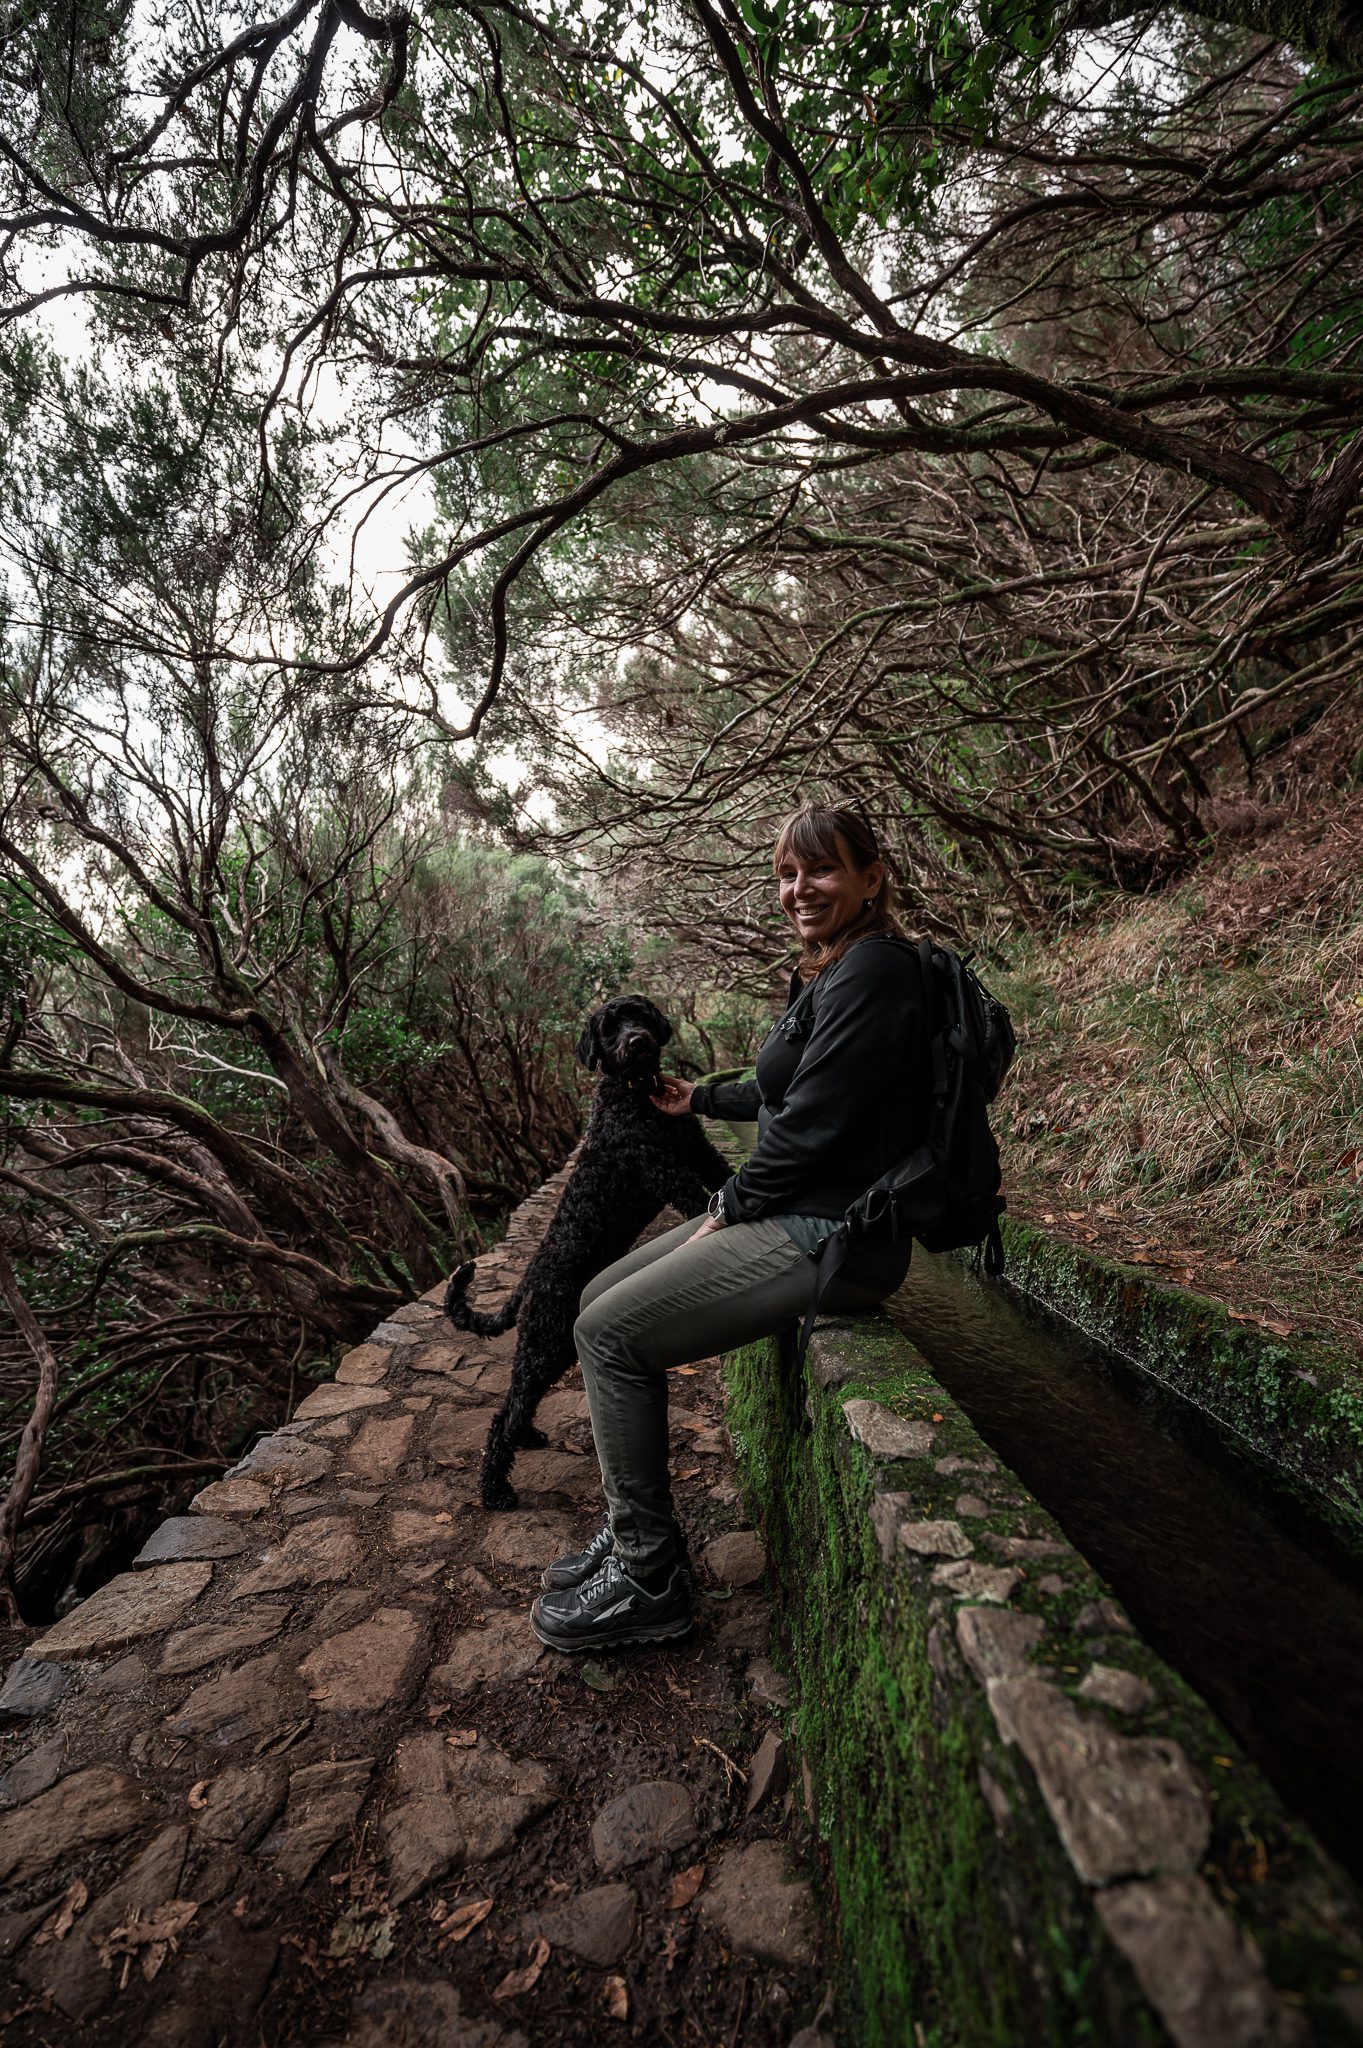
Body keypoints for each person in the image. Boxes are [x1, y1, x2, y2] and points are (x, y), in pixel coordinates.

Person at [530, 803, 929, 1654]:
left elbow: (813, 1126)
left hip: (837, 1234)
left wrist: (731, 1206)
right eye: (786, 873)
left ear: (871, 877)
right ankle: (632, 1521)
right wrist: (702, 1098)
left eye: (819, 870)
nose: (798, 889)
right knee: (596, 1294)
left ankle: (649, 1578)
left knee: (606, 1332)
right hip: (802, 1212)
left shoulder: (876, 974)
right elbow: (784, 1087)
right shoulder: (828, 969)